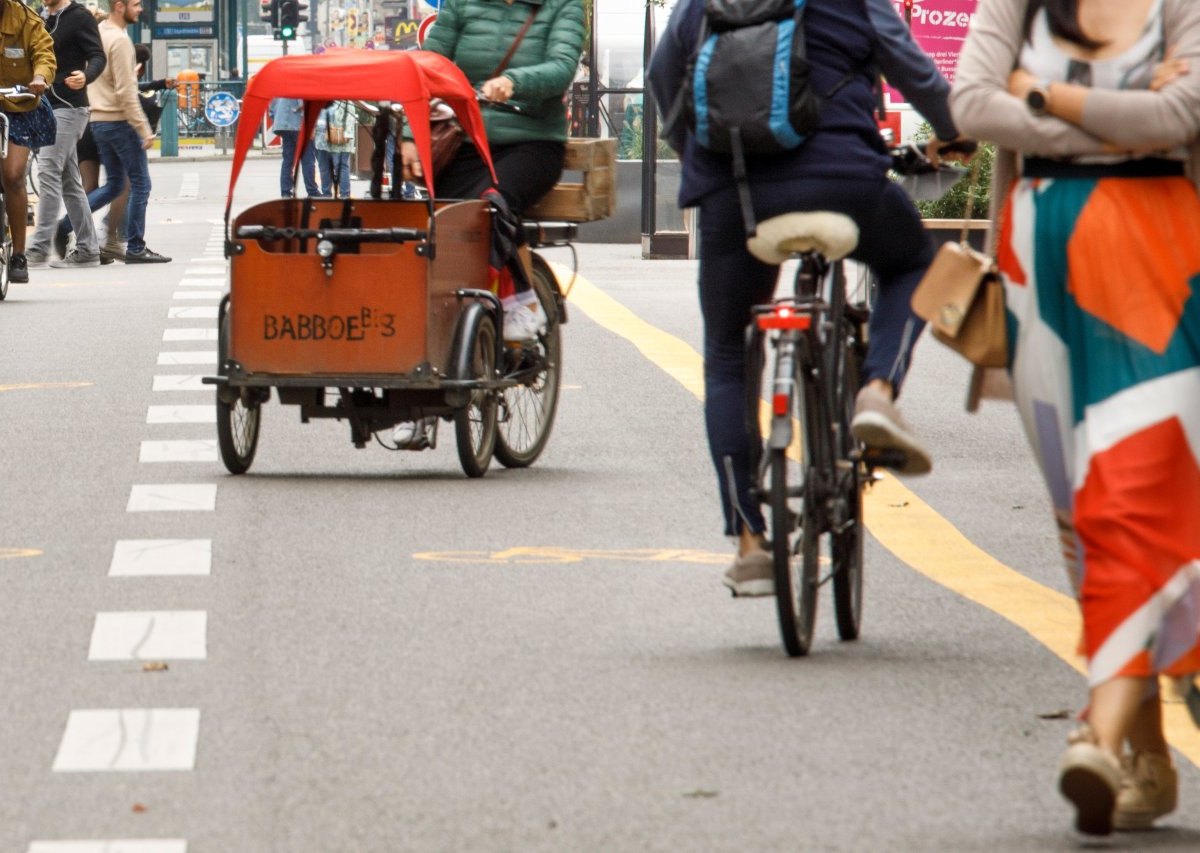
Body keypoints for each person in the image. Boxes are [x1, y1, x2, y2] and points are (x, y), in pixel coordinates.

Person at [950, 0, 1200, 837]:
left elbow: (1184, 114)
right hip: (1039, 275)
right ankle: (1148, 756)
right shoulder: (1015, 3)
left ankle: (1099, 731)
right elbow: (970, 103)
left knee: (1129, 490)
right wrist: (1118, 122)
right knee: (1079, 518)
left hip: (1159, 258)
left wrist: (1044, 99)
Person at [647, 0, 965, 595]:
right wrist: (953, 132)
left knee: (725, 356)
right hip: (844, 180)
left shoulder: (700, 4)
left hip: (733, 193)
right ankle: (876, 390)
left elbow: (665, 81)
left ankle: (749, 542)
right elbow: (914, 73)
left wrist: (700, 151)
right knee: (915, 261)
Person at [391, 0, 585, 450]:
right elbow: (428, 68)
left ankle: (521, 308)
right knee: (430, 239)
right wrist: (408, 135)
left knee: (491, 209)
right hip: (463, 141)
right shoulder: (460, 4)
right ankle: (417, 402)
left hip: (531, 145)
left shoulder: (564, 6)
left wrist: (515, 82)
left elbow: (561, 65)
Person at [85, 0, 169, 263]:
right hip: (118, 120)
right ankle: (135, 246)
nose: (141, 9)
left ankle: (67, 226)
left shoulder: (98, 34)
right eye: (136, 4)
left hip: (97, 119)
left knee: (114, 184)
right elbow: (126, 91)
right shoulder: (120, 40)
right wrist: (143, 128)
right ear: (119, 6)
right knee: (140, 183)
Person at [28, 0, 105, 269]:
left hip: (70, 106)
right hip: (45, 106)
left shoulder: (79, 16)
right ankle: (88, 249)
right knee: (70, 182)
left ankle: (37, 248)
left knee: (48, 171)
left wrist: (86, 75)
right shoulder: (39, 17)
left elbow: (98, 55)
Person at [0, 0, 56, 284]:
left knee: (12, 175)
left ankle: (19, 254)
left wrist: (39, 77)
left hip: (18, 107)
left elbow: (44, 54)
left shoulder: (25, 18)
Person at [270, 97, 319, 198]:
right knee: (307, 159)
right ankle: (312, 191)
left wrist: (277, 119)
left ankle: (285, 191)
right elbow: (302, 102)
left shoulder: (279, 83)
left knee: (288, 160)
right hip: (298, 124)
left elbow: (271, 107)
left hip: (282, 124)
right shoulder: (298, 81)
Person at [314, 99, 357, 198]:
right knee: (338, 167)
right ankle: (343, 196)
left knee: (328, 168)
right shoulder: (347, 102)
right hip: (331, 140)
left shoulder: (321, 100)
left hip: (328, 139)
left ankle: (330, 195)